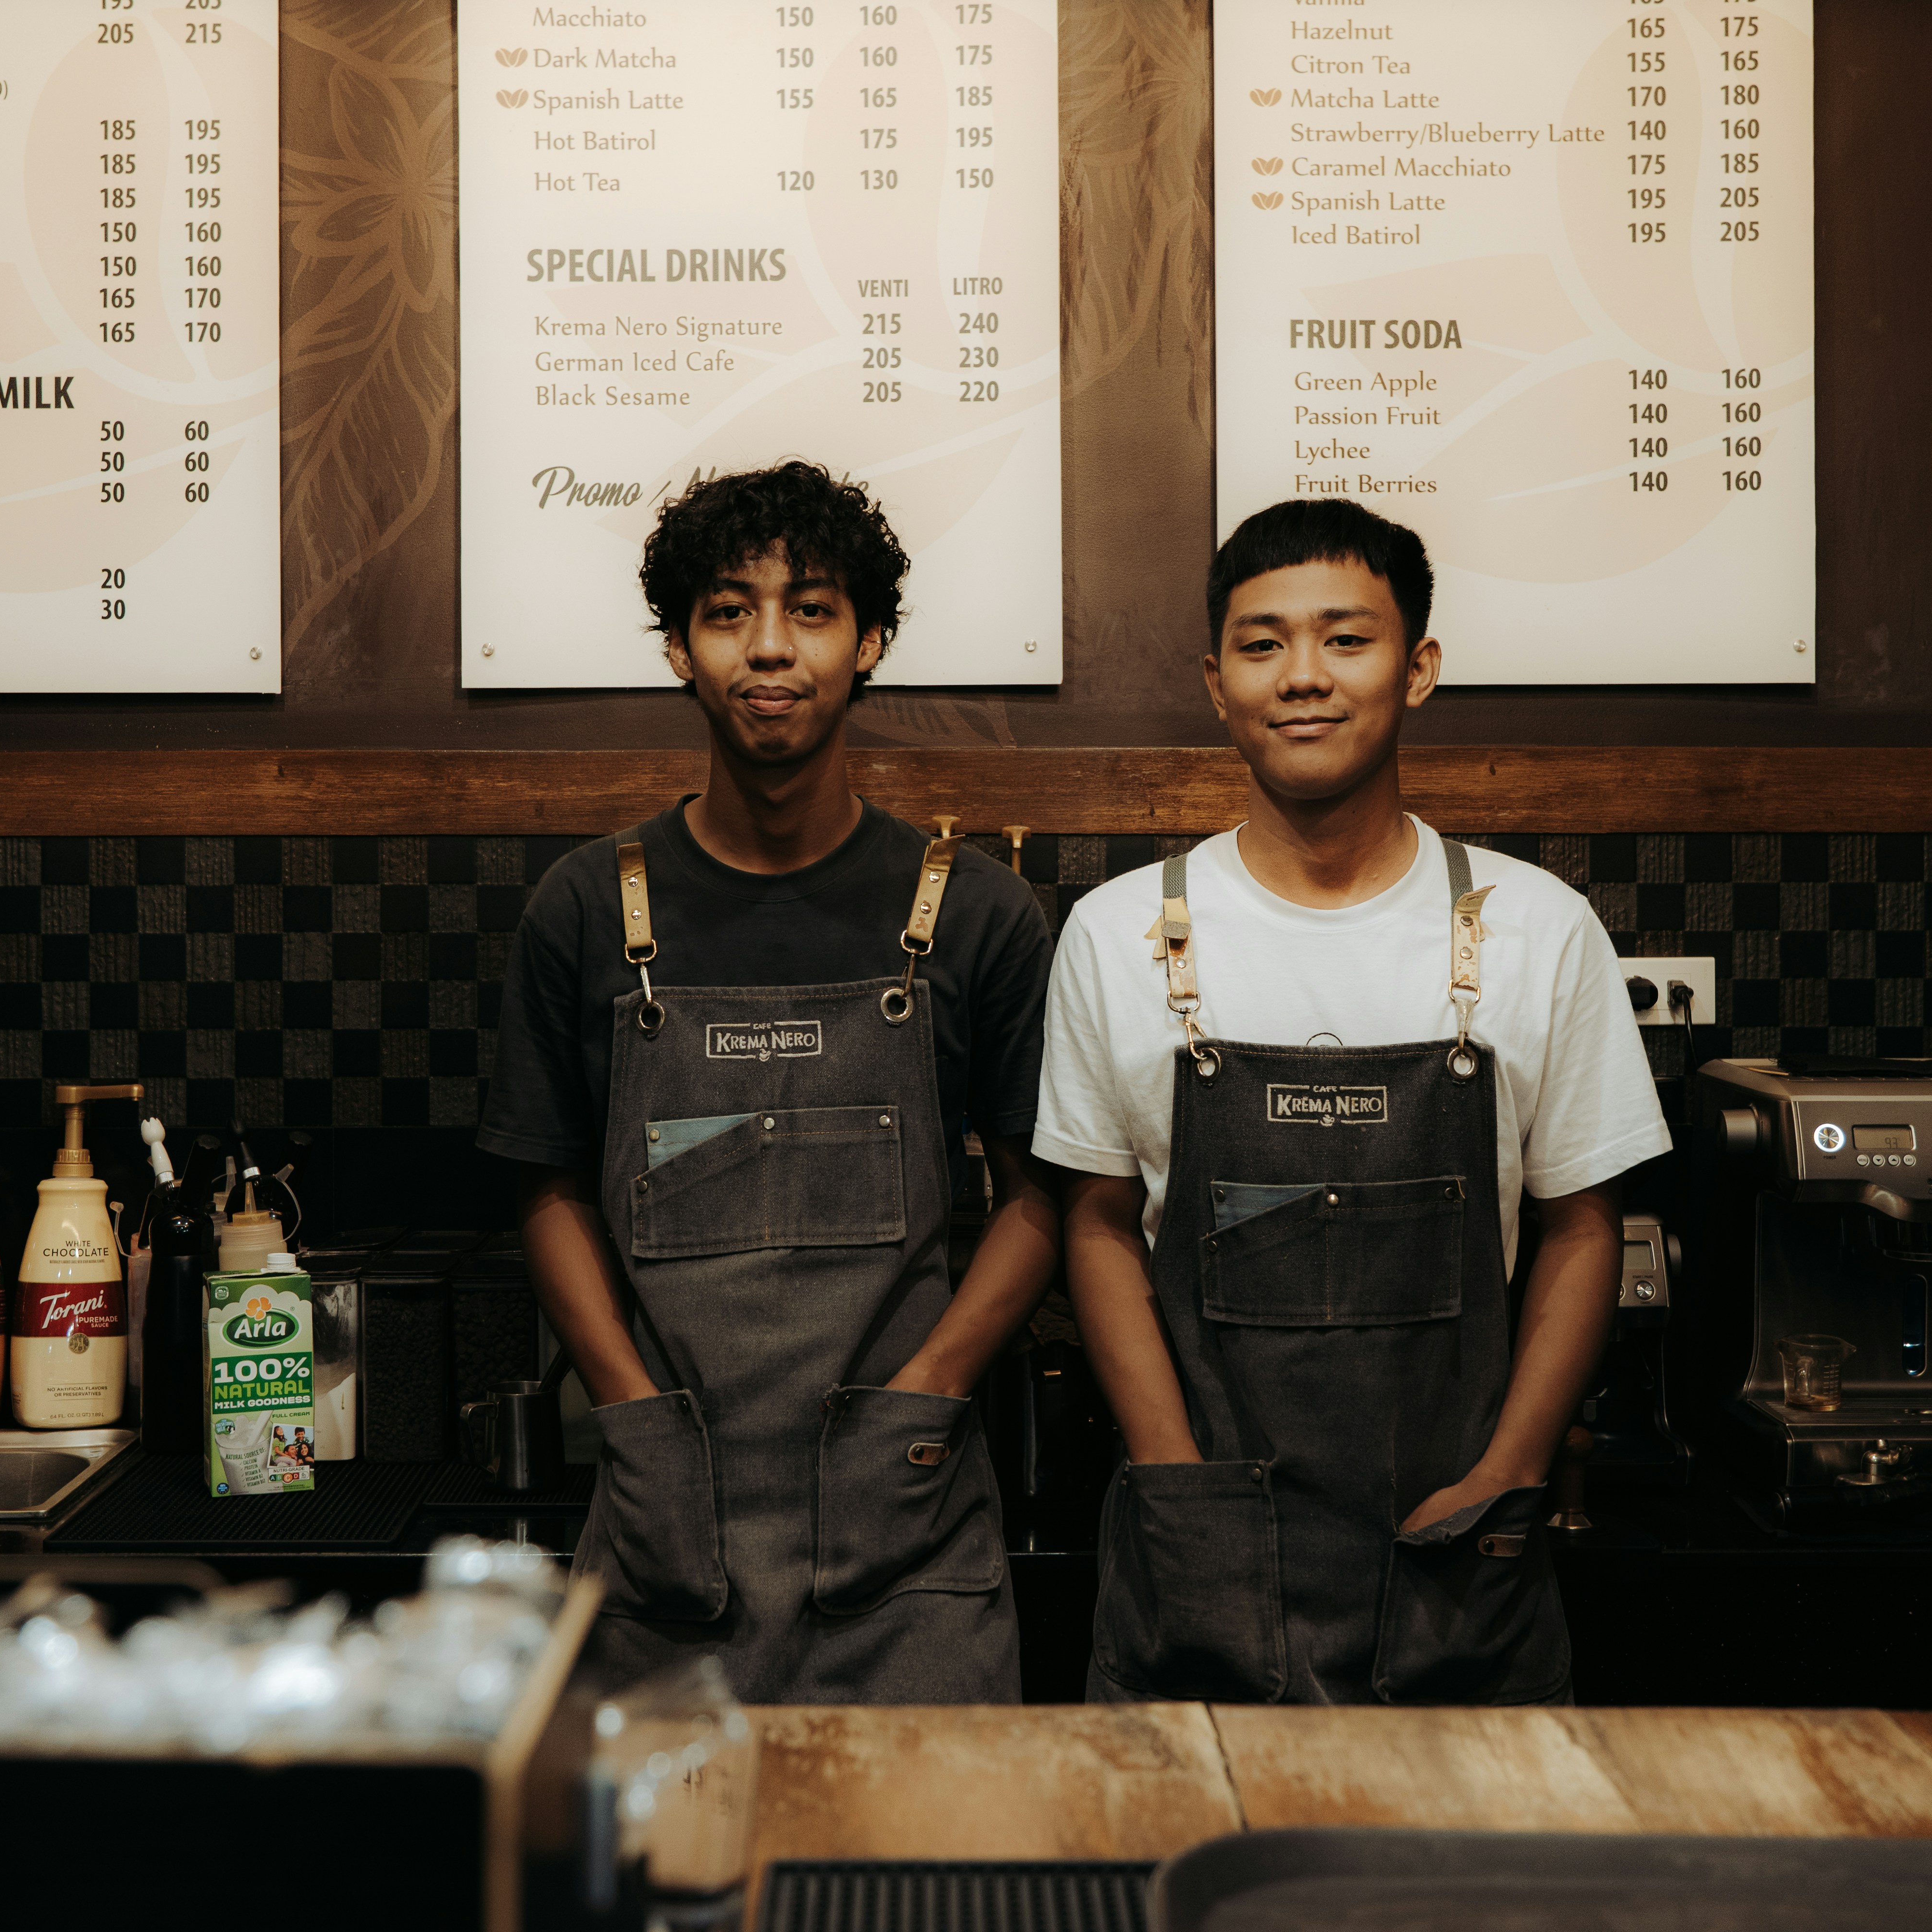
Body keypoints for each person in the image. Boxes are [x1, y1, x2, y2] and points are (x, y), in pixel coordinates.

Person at [1032, 498, 1668, 1705]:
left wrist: (1513, 1469)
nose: (1303, 676)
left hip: (1464, 1558)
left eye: (1346, 638)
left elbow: (1586, 1224)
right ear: (1216, 683)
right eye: (1263, 643)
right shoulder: (1117, 934)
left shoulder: (1539, 929)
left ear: (1418, 668)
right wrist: (1173, 1475)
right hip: (1198, 1558)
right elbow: (1099, 1221)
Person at [477, 460, 1060, 1703]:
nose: (771, 647)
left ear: (871, 641)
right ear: (679, 649)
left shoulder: (976, 914)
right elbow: (547, 1188)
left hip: (912, 1541)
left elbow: (1038, 1199)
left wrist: (932, 1391)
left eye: (813, 609)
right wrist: (631, 1411)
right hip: (664, 1533)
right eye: (729, 611)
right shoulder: (587, 908)